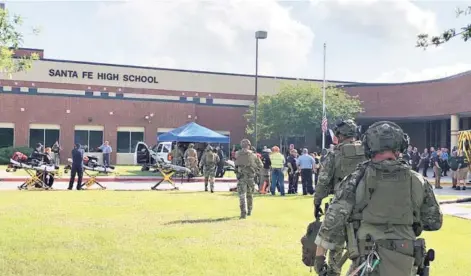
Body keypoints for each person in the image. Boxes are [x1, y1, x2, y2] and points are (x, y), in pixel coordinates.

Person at [313, 121, 443, 276]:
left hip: (367, 261)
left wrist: (319, 261)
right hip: (407, 263)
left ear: (369, 147)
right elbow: (434, 222)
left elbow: (332, 223)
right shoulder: (418, 181)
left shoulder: (355, 180)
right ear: (400, 146)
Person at [314, 119, 366, 276]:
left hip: (341, 206)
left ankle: (333, 271)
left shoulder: (335, 153)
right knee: (364, 248)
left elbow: (323, 182)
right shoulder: (368, 151)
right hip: (366, 207)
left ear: (339, 135)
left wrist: (317, 202)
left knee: (334, 246)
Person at [234, 139, 262, 219]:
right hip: (250, 178)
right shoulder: (254, 155)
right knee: (250, 195)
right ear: (249, 145)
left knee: (242, 195)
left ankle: (243, 213)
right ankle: (249, 210)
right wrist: (255, 171)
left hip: (241, 177)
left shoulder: (237, 154)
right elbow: (260, 165)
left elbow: (236, 165)